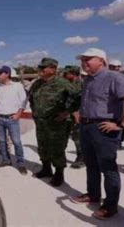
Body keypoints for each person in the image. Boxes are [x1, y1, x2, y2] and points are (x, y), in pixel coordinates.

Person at [71, 49, 124, 220]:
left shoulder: (114, 77)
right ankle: (93, 194)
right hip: (86, 126)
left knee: (108, 168)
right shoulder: (88, 80)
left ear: (101, 60)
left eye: (88, 59)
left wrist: (122, 124)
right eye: (82, 60)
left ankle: (110, 206)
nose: (84, 63)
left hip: (104, 128)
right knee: (91, 164)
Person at [28, 58, 80, 186]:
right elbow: (31, 98)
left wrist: (67, 112)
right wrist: (35, 113)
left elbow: (78, 97)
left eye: (43, 67)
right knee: (42, 147)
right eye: (40, 67)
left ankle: (59, 174)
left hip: (56, 124)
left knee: (57, 149)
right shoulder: (37, 83)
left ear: (52, 69)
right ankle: (46, 169)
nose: (40, 70)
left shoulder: (62, 83)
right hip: (40, 123)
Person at [62, 66, 84, 169]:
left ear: (73, 73)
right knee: (62, 136)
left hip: (77, 115)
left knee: (77, 137)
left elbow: (84, 100)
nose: (64, 75)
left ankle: (81, 158)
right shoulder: (65, 84)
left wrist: (78, 112)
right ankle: (60, 156)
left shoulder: (83, 84)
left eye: (66, 73)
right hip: (65, 114)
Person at [108, 59, 124, 148]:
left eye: (118, 67)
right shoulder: (106, 77)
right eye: (114, 67)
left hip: (121, 105)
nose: (116, 69)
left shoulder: (123, 78)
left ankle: (118, 142)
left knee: (120, 123)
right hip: (109, 107)